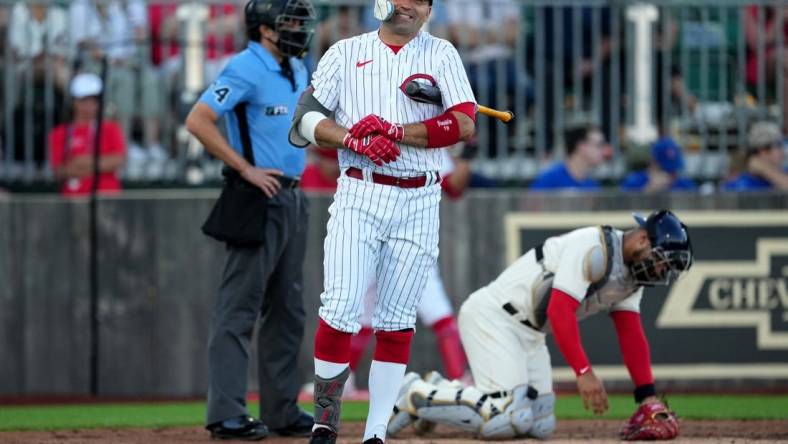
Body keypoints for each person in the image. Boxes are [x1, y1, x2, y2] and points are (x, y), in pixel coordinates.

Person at [288, 0, 477, 441]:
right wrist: (352, 136)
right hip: (360, 188)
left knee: (397, 319)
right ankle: (325, 424)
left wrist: (396, 131)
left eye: (421, 0)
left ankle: (376, 432)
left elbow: (465, 123)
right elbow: (304, 121)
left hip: (420, 195)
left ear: (430, 10)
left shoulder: (441, 54)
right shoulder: (346, 51)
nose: (409, 5)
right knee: (339, 308)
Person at [389, 210, 692, 441]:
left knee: (540, 425)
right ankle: (414, 392)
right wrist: (584, 372)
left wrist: (647, 395)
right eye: (663, 260)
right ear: (642, 239)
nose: (662, 269)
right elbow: (560, 311)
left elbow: (631, 335)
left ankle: (441, 391)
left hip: (530, 333)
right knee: (507, 418)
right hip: (495, 317)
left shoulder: (631, 279)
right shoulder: (595, 247)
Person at [184, 0, 316, 439]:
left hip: (296, 197)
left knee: (289, 310)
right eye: (290, 22)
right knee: (238, 308)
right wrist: (244, 168)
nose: (298, 28)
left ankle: (280, 409)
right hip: (260, 195)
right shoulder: (245, 67)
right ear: (264, 29)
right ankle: (225, 413)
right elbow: (199, 120)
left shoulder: (297, 67)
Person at [48, 73, 126, 197]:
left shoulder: (111, 128)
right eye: (84, 100)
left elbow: (118, 160)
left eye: (94, 100)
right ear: (74, 102)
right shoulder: (59, 133)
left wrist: (82, 161)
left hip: (107, 196)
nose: (90, 105)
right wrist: (100, 165)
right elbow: (59, 170)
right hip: (73, 198)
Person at [529, 121, 612, 191]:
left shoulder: (593, 186)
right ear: (581, 146)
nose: (603, 151)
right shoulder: (549, 180)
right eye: (599, 145)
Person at [722, 121, 788, 191]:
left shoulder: (783, 171)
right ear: (763, 151)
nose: (782, 151)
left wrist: (764, 169)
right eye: (778, 145)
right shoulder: (741, 184)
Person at [620, 138, 697, 192]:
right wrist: (649, 190)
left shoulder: (684, 185)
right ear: (653, 163)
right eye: (667, 170)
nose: (672, 174)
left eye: (674, 169)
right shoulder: (634, 182)